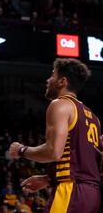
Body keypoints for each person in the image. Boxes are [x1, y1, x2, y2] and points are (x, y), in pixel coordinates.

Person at [8, 58, 101, 213]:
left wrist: (21, 150)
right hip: (92, 194)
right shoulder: (93, 117)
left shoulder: (60, 104)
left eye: (52, 75)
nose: (48, 80)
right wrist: (48, 179)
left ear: (62, 81)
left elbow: (53, 152)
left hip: (71, 191)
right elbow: (83, 163)